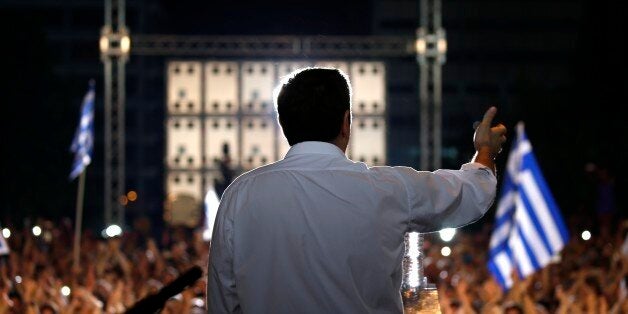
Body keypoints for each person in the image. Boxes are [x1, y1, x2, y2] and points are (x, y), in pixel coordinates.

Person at [207, 68, 507, 313]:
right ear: (346, 122)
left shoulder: (240, 196)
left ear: (284, 124)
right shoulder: (387, 189)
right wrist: (484, 151)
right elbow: (471, 192)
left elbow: (223, 302)